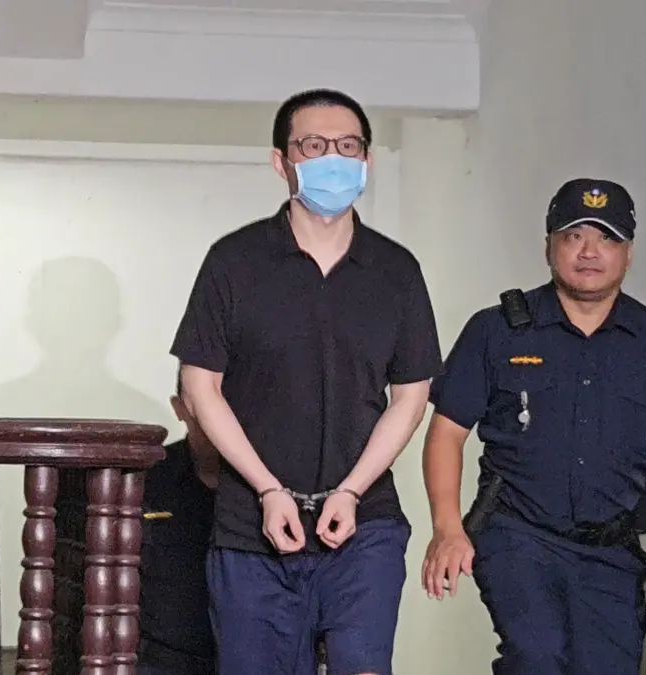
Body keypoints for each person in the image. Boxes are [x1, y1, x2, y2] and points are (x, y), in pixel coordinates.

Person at [171, 88, 442, 675]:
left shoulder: (396, 271)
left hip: (364, 523)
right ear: (282, 161)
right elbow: (200, 385)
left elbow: (411, 396)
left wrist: (351, 490)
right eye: (314, 146)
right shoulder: (234, 262)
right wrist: (267, 490)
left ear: (367, 160)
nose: (333, 159)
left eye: (348, 146)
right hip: (251, 527)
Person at [419, 178, 646, 675]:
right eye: (574, 236)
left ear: (628, 253)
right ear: (549, 246)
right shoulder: (497, 331)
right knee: (537, 654)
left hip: (610, 551)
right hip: (518, 534)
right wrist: (447, 528)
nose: (589, 252)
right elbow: (447, 432)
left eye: (607, 238)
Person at [137, 373, 219, 675]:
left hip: (245, 651)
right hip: (158, 658)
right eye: (205, 402)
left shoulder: (269, 486)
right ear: (179, 408)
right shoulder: (147, 478)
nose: (217, 414)